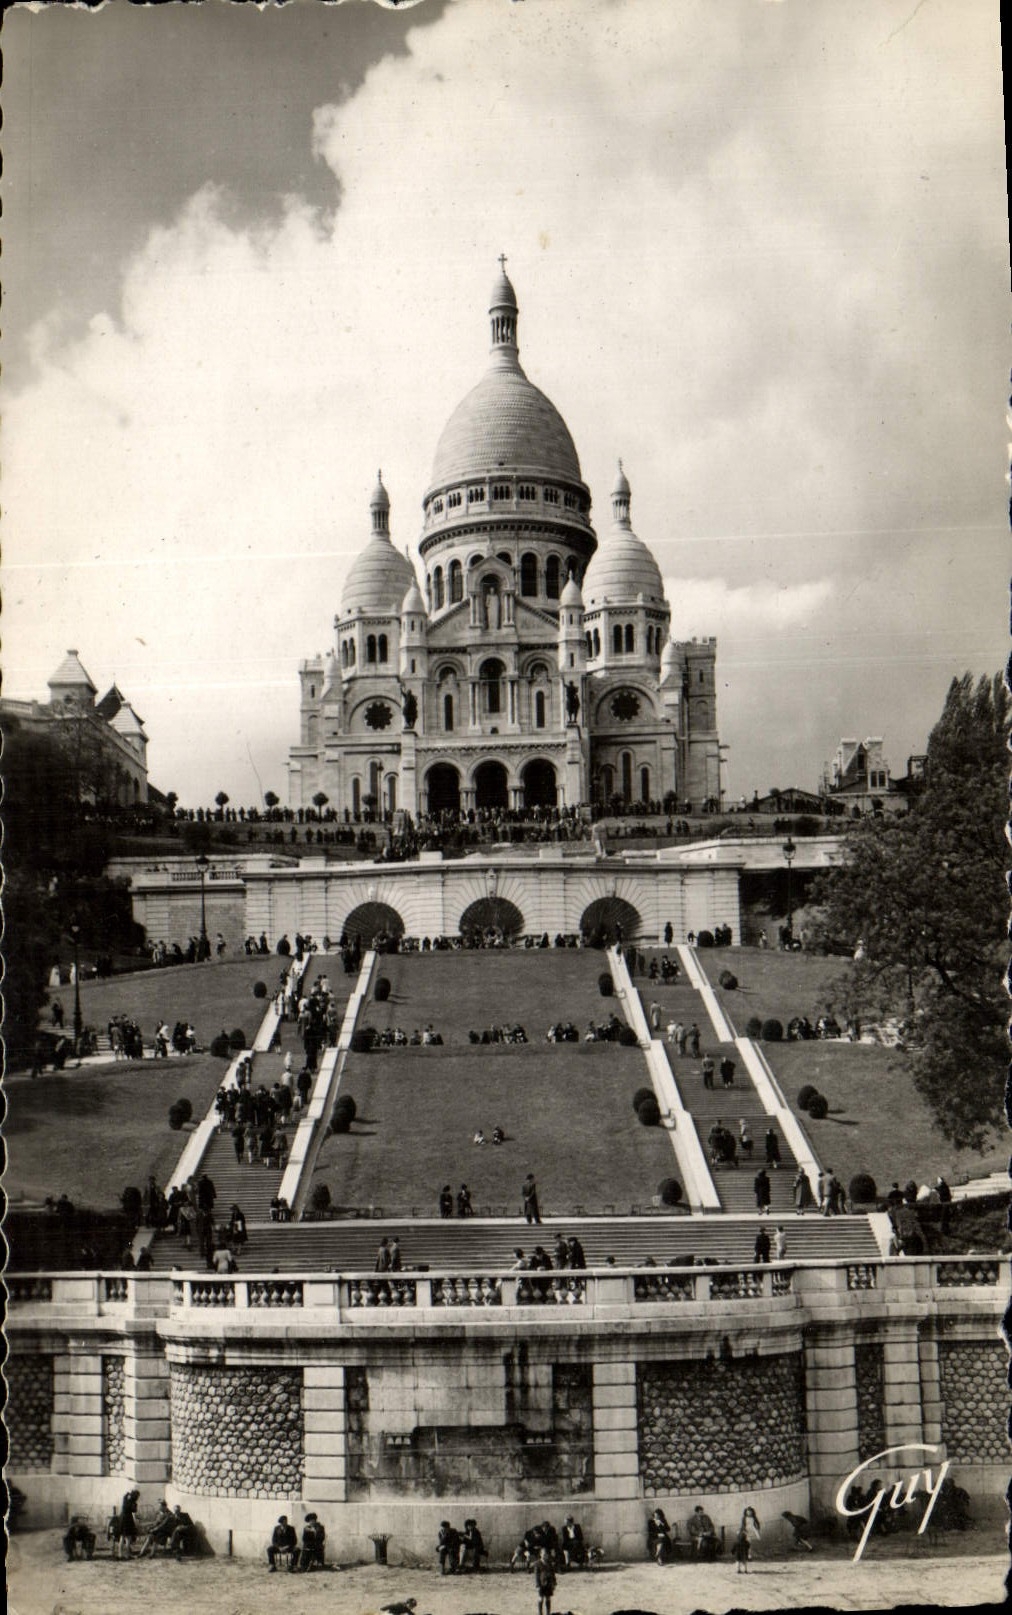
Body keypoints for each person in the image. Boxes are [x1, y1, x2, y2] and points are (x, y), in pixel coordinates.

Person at [735, 1507, 761, 1572]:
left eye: (750, 1511)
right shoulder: (744, 1518)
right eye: (748, 1511)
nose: (749, 1513)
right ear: (746, 1512)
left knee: (749, 1543)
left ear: (752, 1512)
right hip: (746, 1531)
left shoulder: (753, 1518)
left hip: (751, 1530)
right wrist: (743, 1531)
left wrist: (757, 1532)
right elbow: (742, 1525)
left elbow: (756, 1525)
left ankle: (749, 1555)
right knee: (746, 1543)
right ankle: (747, 1555)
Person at [117, 1488, 140, 1559]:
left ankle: (120, 1554)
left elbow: (126, 1495)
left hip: (122, 1519)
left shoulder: (125, 1499)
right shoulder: (133, 1502)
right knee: (128, 1538)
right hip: (128, 1519)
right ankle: (127, 1555)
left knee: (122, 1537)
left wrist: (129, 1493)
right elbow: (134, 1511)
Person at [534, 1547, 557, 1614]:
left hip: (549, 1583)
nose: (545, 1556)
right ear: (540, 1554)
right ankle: (540, 1613)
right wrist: (538, 1585)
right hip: (541, 1584)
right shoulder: (537, 1563)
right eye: (543, 1554)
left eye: (546, 1554)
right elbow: (536, 1575)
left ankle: (548, 1613)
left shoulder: (550, 1563)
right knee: (540, 1598)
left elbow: (553, 1573)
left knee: (548, 1598)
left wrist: (554, 1583)